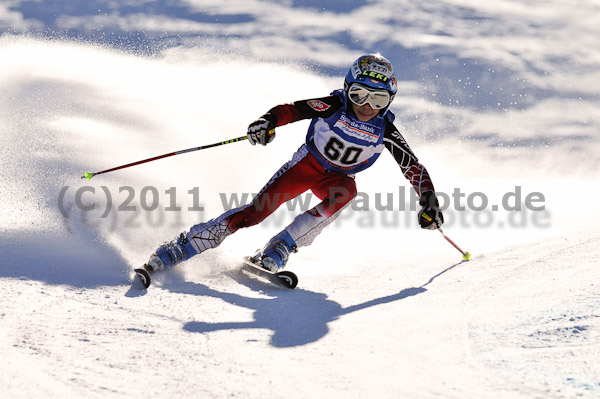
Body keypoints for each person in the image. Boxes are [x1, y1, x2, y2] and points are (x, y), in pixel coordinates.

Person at [143, 54, 444, 274]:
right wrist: (267, 122)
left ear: (389, 101)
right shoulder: (334, 105)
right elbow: (293, 110)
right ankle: (185, 245)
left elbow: (412, 168)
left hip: (335, 179)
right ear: (347, 89)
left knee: (347, 193)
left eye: (378, 100)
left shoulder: (385, 130)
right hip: (306, 166)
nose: (367, 106)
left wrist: (428, 201)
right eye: (360, 94)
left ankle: (283, 244)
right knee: (255, 213)